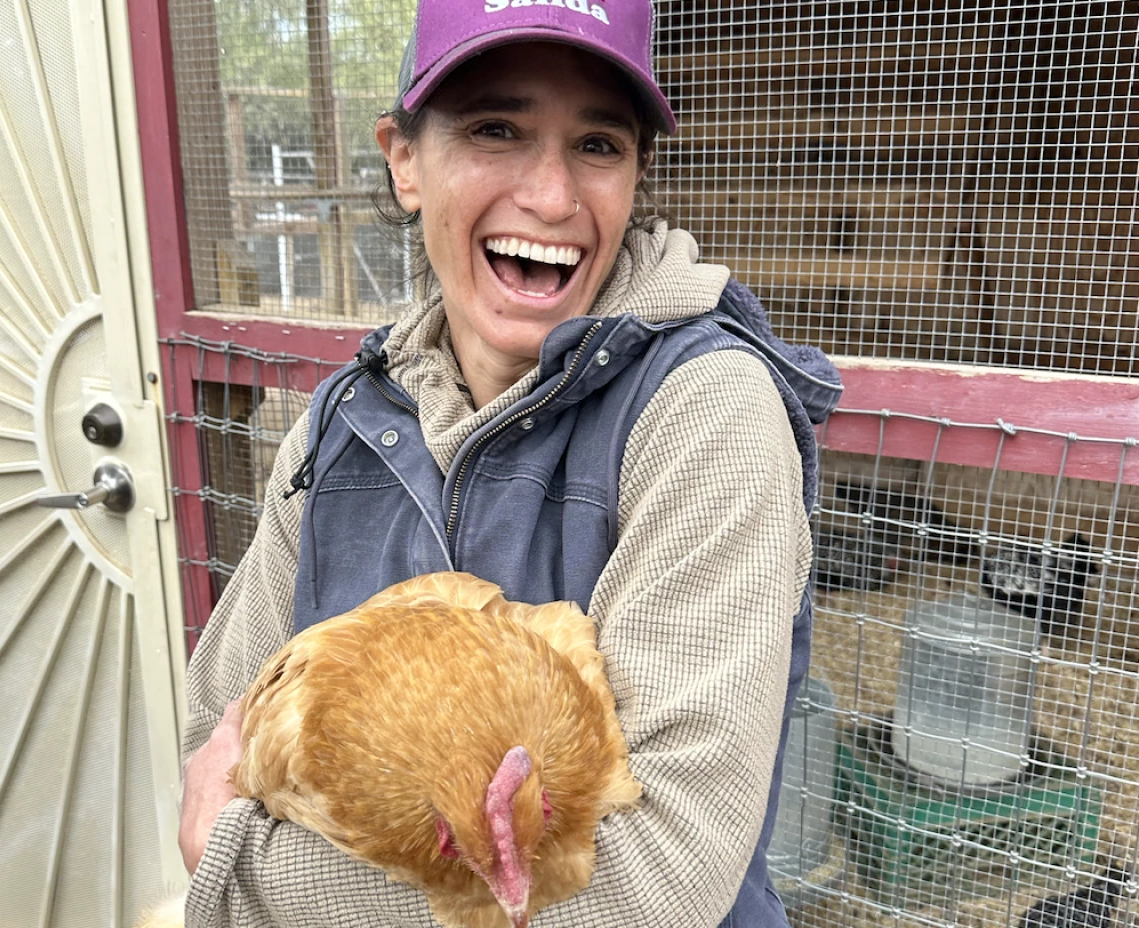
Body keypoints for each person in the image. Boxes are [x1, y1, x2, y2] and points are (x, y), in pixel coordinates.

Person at [177, 0, 842, 924]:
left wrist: (246, 874)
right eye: (497, 128)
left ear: (637, 173)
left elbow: (660, 880)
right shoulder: (341, 427)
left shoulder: (706, 414)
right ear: (405, 160)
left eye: (599, 145)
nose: (554, 198)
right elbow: (219, 730)